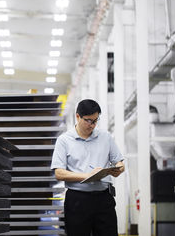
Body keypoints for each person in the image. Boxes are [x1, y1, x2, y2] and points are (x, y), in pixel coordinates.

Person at [51, 99, 125, 236]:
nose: (92, 125)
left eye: (95, 121)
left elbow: (119, 162)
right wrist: (87, 176)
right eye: (88, 120)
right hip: (77, 200)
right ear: (77, 116)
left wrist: (118, 169)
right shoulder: (64, 140)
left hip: (104, 199)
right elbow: (59, 173)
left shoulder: (106, 137)